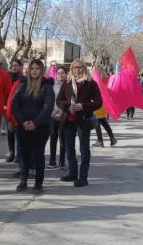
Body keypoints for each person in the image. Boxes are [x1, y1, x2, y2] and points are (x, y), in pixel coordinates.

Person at [56, 59, 103, 187]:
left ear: (84, 69)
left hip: (83, 120)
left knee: (84, 149)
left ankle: (83, 177)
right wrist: (67, 105)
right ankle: (72, 173)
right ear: (71, 69)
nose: (78, 70)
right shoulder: (66, 83)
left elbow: (99, 102)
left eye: (80, 67)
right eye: (75, 68)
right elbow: (59, 100)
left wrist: (83, 106)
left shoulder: (91, 83)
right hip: (69, 120)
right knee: (69, 148)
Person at [12, 59, 55, 193]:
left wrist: (35, 123)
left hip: (40, 128)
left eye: (37, 68)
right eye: (32, 68)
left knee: (38, 154)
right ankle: (23, 179)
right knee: (24, 154)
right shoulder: (22, 85)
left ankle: (38, 182)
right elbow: (15, 104)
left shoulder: (47, 87)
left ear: (41, 70)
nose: (34, 71)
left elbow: (47, 107)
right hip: (23, 126)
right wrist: (23, 122)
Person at [5, 59, 23, 163]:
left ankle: (18, 153)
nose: (14, 67)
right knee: (10, 132)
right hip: (8, 107)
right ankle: (11, 152)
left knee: (19, 132)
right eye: (12, 66)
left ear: (20, 67)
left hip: (19, 108)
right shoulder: (7, 77)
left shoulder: (22, 79)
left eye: (16, 65)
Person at [49, 66, 67, 169]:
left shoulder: (69, 85)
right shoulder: (52, 86)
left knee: (63, 140)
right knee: (53, 138)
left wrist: (62, 114)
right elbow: (50, 101)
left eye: (63, 73)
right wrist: (53, 113)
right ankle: (52, 161)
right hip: (53, 116)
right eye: (59, 73)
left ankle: (62, 162)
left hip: (64, 116)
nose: (60, 75)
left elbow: (69, 101)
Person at [93, 72, 117, 147]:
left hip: (97, 105)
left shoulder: (97, 83)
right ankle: (112, 138)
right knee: (103, 122)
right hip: (103, 106)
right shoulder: (106, 83)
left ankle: (100, 141)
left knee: (97, 123)